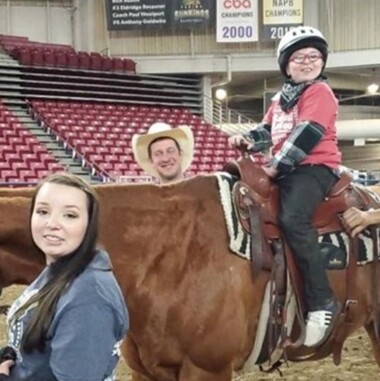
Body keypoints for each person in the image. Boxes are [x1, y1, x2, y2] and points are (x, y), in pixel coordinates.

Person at [228, 26, 342, 347]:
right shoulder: (280, 99)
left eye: (314, 56)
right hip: (287, 169)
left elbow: (308, 133)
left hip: (314, 168)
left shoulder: (320, 93)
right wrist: (248, 140)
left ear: (322, 62)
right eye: (299, 57)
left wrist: (276, 166)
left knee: (293, 219)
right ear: (286, 65)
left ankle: (323, 302)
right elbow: (267, 131)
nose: (307, 62)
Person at [0, 172, 129, 381]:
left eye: (69, 215)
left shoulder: (88, 300)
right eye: (43, 211)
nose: (52, 223)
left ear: (89, 225)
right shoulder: (61, 269)